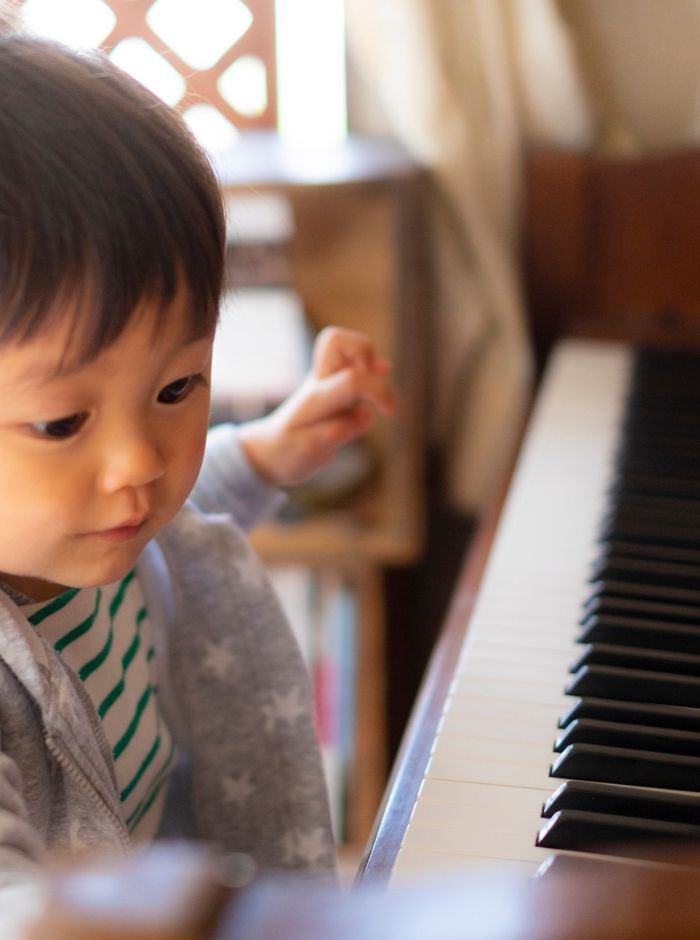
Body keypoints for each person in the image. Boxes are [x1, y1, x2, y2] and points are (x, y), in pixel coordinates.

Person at [0, 29, 395, 935]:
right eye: (63, 422)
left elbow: (183, 523)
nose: (141, 464)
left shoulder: (93, 519)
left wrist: (265, 453)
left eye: (177, 387)